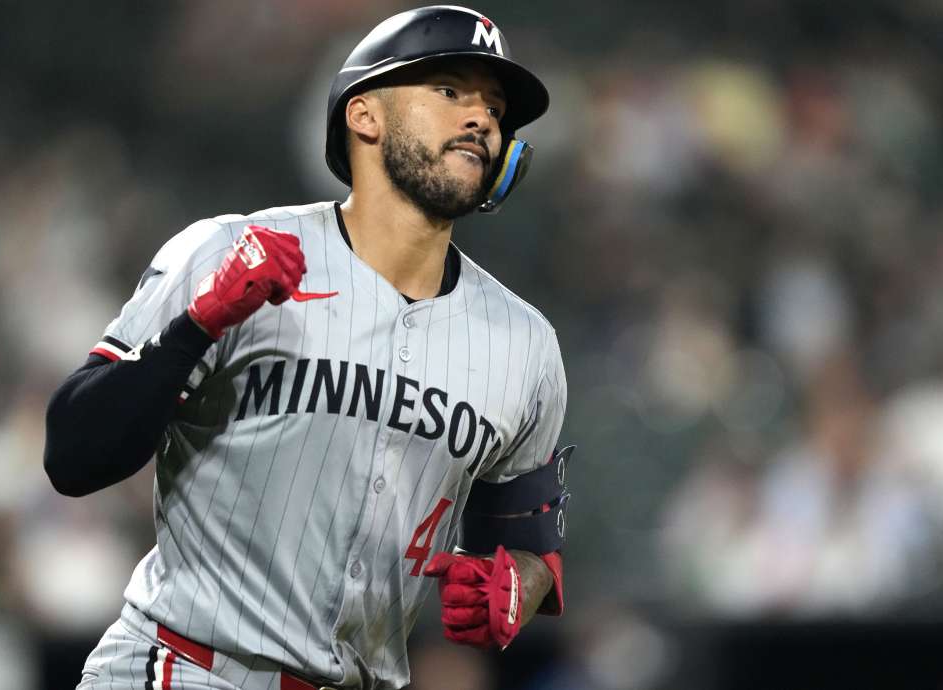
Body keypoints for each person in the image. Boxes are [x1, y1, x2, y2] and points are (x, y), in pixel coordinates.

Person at [43, 7, 572, 689]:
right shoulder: (228, 251)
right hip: (185, 670)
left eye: (495, 109)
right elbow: (73, 454)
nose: (482, 120)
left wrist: (512, 591)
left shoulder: (526, 345)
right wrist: (193, 329)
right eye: (449, 91)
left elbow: (530, 553)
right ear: (365, 116)